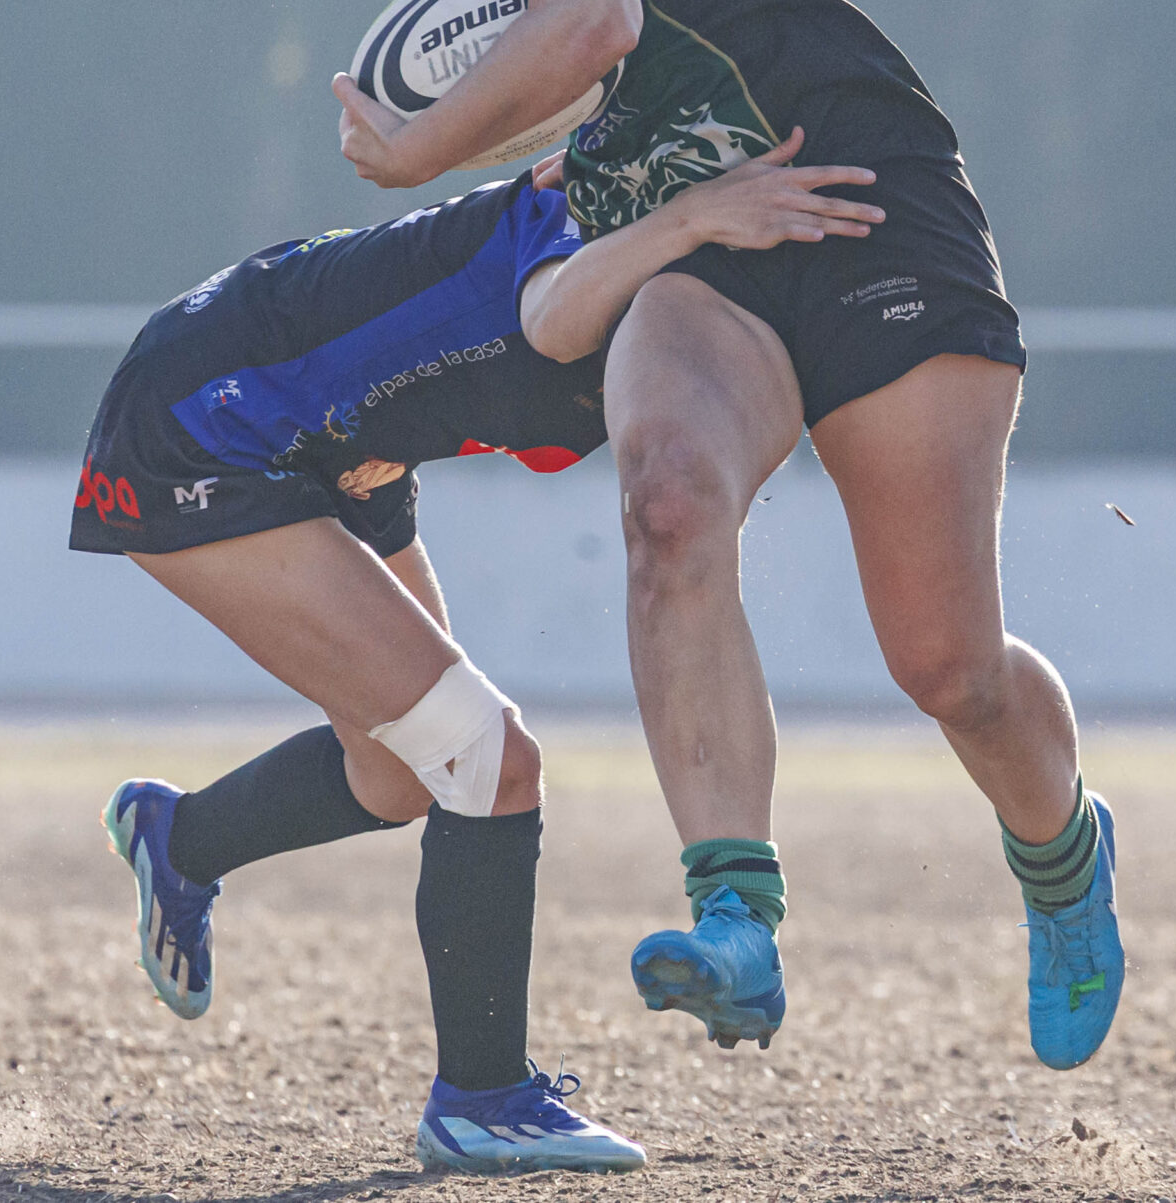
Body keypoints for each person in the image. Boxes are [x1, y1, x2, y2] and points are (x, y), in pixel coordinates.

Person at [167, 0, 1123, 1073]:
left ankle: (1063, 856)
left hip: (858, 190)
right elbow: (606, 50)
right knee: (669, 500)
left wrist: (417, 152)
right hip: (717, 229)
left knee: (949, 664)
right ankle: (734, 917)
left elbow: (596, 16)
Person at [74, 139, 878, 1173]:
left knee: (415, 768)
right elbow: (545, 315)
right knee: (486, 759)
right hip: (209, 423)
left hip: (331, 443)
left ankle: (182, 838)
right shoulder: (595, 228)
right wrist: (689, 216)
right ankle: (481, 1099)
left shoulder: (676, 294)